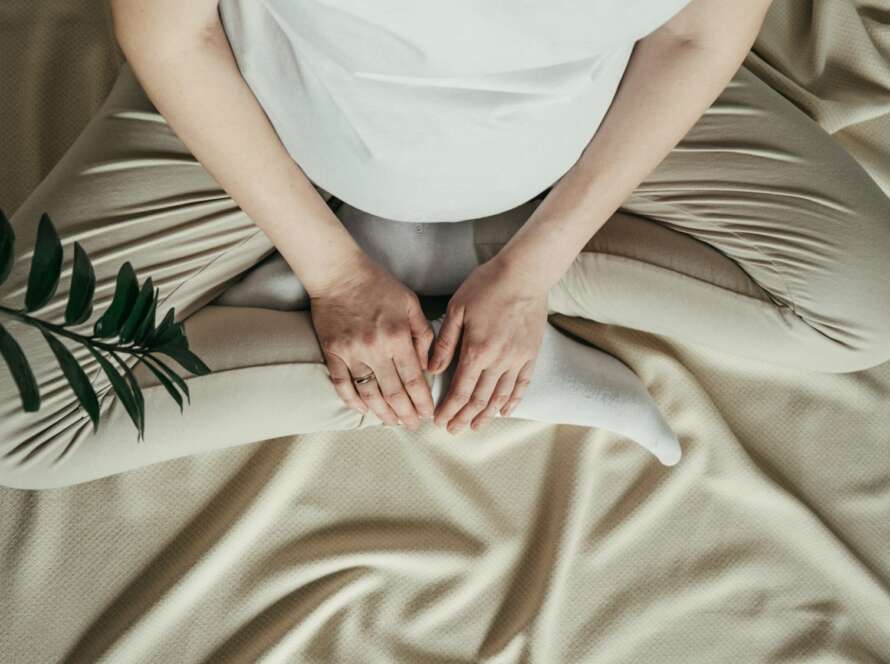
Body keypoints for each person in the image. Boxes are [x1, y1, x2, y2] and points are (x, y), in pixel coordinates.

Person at [2, 0, 889, 488]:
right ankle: (440, 340)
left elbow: (694, 31)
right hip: (269, 115)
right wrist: (336, 277)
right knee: (15, 423)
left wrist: (534, 268)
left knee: (865, 312)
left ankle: (455, 262)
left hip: (589, 114)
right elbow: (175, 32)